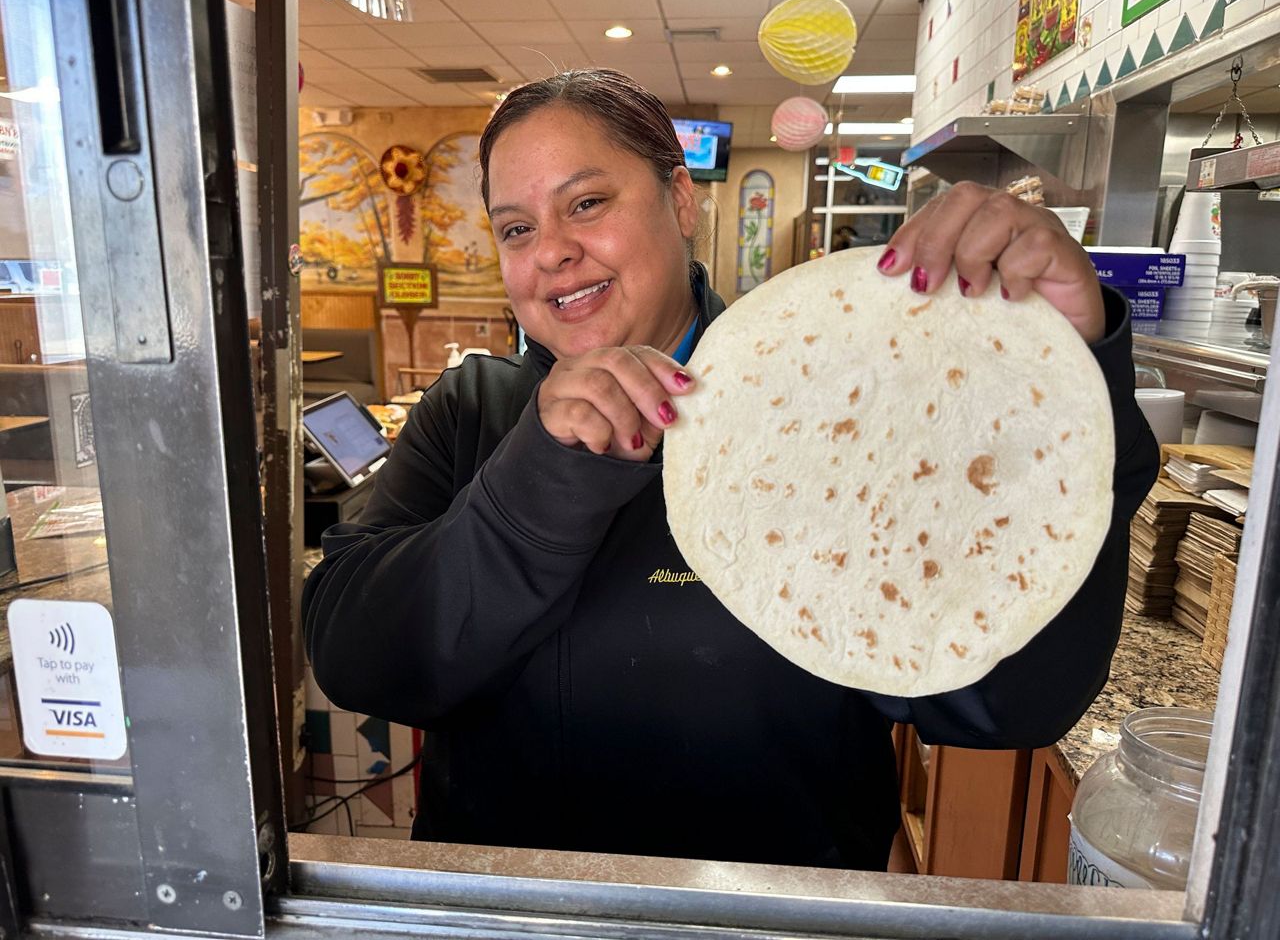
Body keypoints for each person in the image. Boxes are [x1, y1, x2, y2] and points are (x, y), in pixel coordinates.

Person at [303, 68, 1158, 869]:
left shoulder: (832, 403)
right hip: (506, 906)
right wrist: (539, 476)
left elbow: (1009, 702)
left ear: (681, 201)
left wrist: (1070, 381)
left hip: (774, 912)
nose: (551, 251)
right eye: (517, 228)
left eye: (587, 202)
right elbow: (356, 657)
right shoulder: (470, 411)